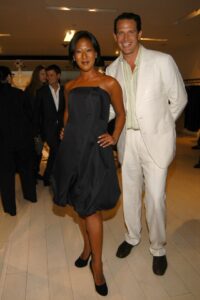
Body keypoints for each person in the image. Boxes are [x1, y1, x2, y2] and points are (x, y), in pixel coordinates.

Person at [106, 12, 188, 276]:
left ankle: (158, 248)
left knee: (155, 199)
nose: (126, 38)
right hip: (127, 141)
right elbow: (109, 110)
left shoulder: (162, 61)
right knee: (130, 194)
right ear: (115, 36)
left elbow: (179, 99)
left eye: (131, 32)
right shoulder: (111, 70)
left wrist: (161, 124)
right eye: (121, 32)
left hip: (156, 141)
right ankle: (132, 237)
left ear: (140, 33)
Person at [51, 31, 125, 296]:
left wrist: (114, 137)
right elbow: (69, 115)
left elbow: (121, 114)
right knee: (79, 207)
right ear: (73, 56)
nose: (83, 56)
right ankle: (86, 248)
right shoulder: (70, 87)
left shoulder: (109, 83)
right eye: (78, 51)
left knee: (91, 209)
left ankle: (97, 264)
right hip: (72, 152)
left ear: (96, 53)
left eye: (88, 50)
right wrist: (64, 130)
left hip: (95, 153)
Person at [0, 66, 37, 216]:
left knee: (5, 176)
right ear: (9, 77)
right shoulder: (20, 95)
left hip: (2, 143)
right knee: (26, 171)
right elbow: (30, 117)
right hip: (22, 141)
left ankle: (10, 208)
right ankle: (30, 196)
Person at [35, 64, 65, 186]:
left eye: (52, 75)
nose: (49, 78)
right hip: (48, 129)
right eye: (47, 75)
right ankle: (50, 177)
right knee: (56, 150)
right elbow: (37, 113)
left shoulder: (65, 90)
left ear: (58, 76)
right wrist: (38, 132)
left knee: (56, 152)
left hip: (62, 129)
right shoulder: (41, 92)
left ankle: (50, 176)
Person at [25, 65, 47, 181]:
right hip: (34, 128)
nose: (45, 76)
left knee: (38, 152)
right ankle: (32, 174)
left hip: (40, 127)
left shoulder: (42, 89)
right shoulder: (31, 91)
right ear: (37, 75)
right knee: (35, 152)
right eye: (43, 74)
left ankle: (35, 172)